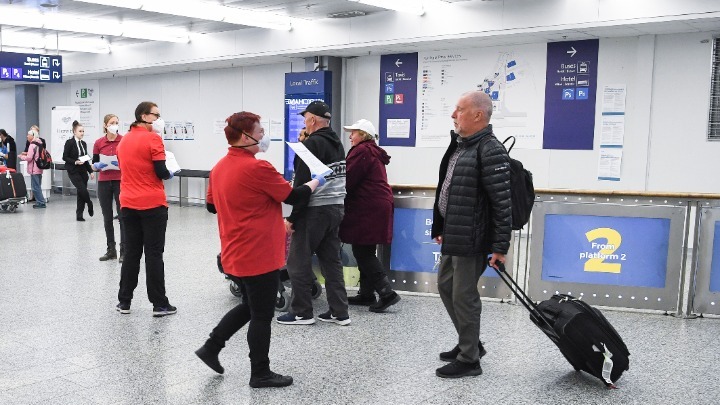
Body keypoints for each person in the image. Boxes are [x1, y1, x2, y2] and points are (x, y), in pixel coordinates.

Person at [194, 111, 325, 388]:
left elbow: (211, 206)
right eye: (260, 131)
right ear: (245, 137)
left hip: (234, 250)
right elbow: (293, 196)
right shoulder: (258, 168)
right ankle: (260, 373)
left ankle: (211, 347)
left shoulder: (219, 168)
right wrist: (317, 180)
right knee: (262, 315)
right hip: (258, 253)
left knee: (249, 305)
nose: (264, 135)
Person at [431, 91, 511, 379]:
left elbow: (502, 203)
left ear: (478, 115)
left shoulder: (490, 149)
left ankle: (469, 359)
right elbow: (448, 188)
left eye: (460, 109)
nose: (454, 115)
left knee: (463, 296)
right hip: (455, 232)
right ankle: (471, 342)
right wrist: (440, 226)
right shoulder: (462, 145)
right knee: (446, 287)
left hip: (472, 237)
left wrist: (500, 247)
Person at [277, 100, 349, 326]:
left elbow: (302, 186)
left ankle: (302, 312)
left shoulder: (309, 145)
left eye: (306, 118)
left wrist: (292, 218)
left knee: (297, 261)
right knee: (331, 262)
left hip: (315, 210)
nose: (305, 122)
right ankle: (340, 312)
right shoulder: (338, 143)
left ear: (313, 119)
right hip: (336, 207)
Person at [115, 101, 176, 317]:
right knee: (153, 254)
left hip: (128, 203)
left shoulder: (123, 141)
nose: (159, 119)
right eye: (156, 115)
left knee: (131, 253)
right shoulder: (153, 139)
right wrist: (170, 172)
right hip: (152, 204)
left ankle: (124, 301)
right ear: (143, 116)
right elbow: (161, 171)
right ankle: (159, 304)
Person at [339, 119, 400, 312]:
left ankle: (387, 293)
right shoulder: (371, 151)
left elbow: (348, 179)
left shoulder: (362, 151)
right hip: (376, 206)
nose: (350, 136)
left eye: (354, 132)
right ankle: (366, 294)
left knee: (362, 251)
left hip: (367, 207)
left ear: (363, 135)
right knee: (365, 248)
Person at [92, 114, 125, 262]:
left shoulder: (123, 140)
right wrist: (97, 166)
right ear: (105, 125)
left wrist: (122, 163)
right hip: (104, 182)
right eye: (112, 122)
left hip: (120, 181)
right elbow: (94, 164)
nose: (115, 125)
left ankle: (124, 251)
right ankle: (111, 250)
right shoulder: (99, 143)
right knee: (107, 217)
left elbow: (129, 160)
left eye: (117, 122)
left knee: (122, 217)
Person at [62, 121, 95, 221]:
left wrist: (90, 171)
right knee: (82, 189)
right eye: (80, 131)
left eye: (83, 131)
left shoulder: (83, 144)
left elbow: (85, 159)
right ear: (74, 132)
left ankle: (79, 215)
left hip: (83, 171)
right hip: (73, 170)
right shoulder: (69, 143)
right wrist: (75, 162)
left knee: (81, 193)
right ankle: (89, 203)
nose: (82, 133)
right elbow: (65, 157)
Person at [18, 130, 47, 209]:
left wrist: (21, 156)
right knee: (38, 186)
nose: (27, 136)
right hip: (39, 168)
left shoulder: (32, 145)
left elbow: (29, 158)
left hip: (34, 169)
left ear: (33, 136)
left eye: (28, 135)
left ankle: (41, 202)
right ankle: (40, 202)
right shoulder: (40, 143)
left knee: (35, 187)